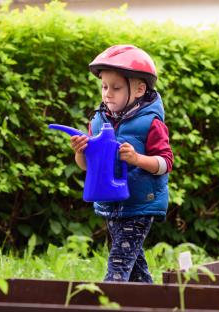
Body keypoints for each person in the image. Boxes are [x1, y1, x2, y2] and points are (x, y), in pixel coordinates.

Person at [70, 45, 174, 283]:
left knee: (118, 264)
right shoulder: (98, 121)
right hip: (110, 203)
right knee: (136, 267)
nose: (107, 93)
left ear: (139, 89)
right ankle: (150, 305)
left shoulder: (151, 123)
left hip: (139, 205)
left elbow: (166, 163)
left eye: (116, 88)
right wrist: (80, 153)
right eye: (104, 86)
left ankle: (108, 305)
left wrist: (137, 159)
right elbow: (87, 167)